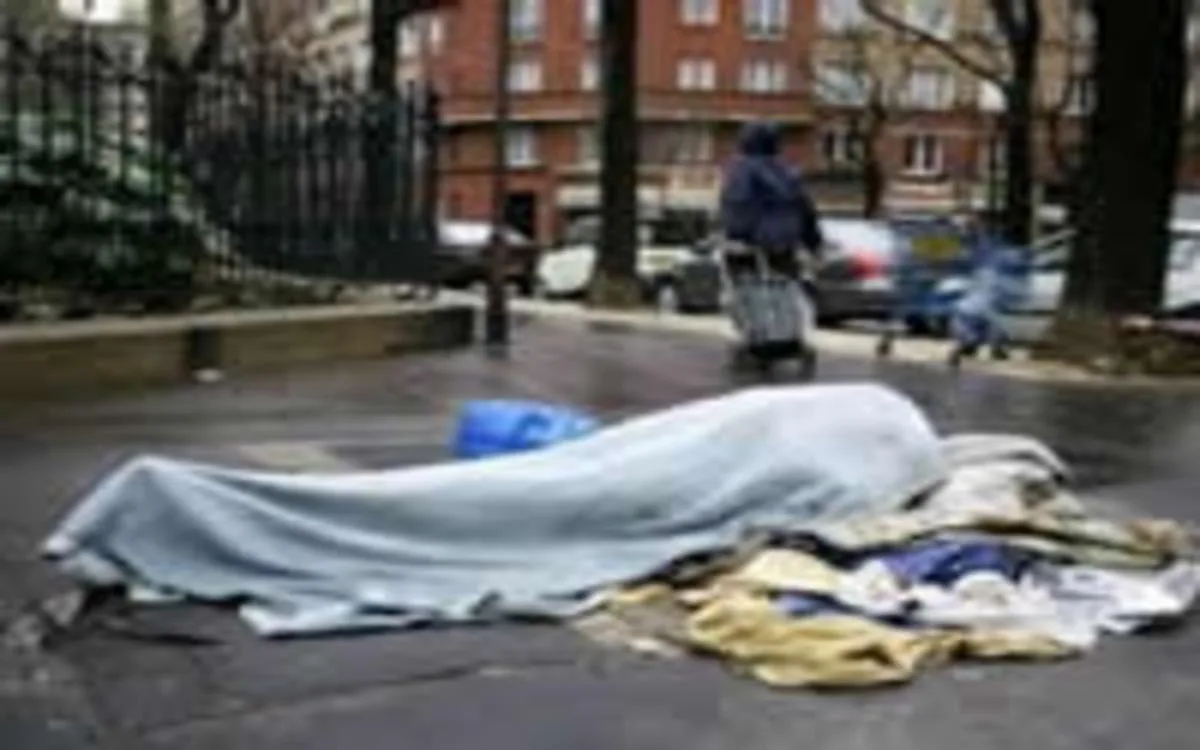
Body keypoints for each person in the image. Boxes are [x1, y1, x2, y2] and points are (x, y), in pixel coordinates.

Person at [719, 121, 824, 275]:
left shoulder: (737, 171)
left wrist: (735, 235)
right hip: (783, 247)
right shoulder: (786, 172)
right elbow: (806, 211)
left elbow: (733, 208)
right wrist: (814, 245)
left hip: (745, 249)